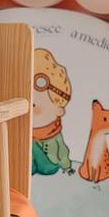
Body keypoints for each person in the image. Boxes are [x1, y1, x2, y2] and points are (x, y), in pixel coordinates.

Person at [32, 48, 74, 176]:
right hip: (29, 165)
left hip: (49, 165)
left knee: (30, 145)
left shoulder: (53, 135)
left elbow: (62, 151)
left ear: (59, 111)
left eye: (34, 106)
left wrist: (67, 166)